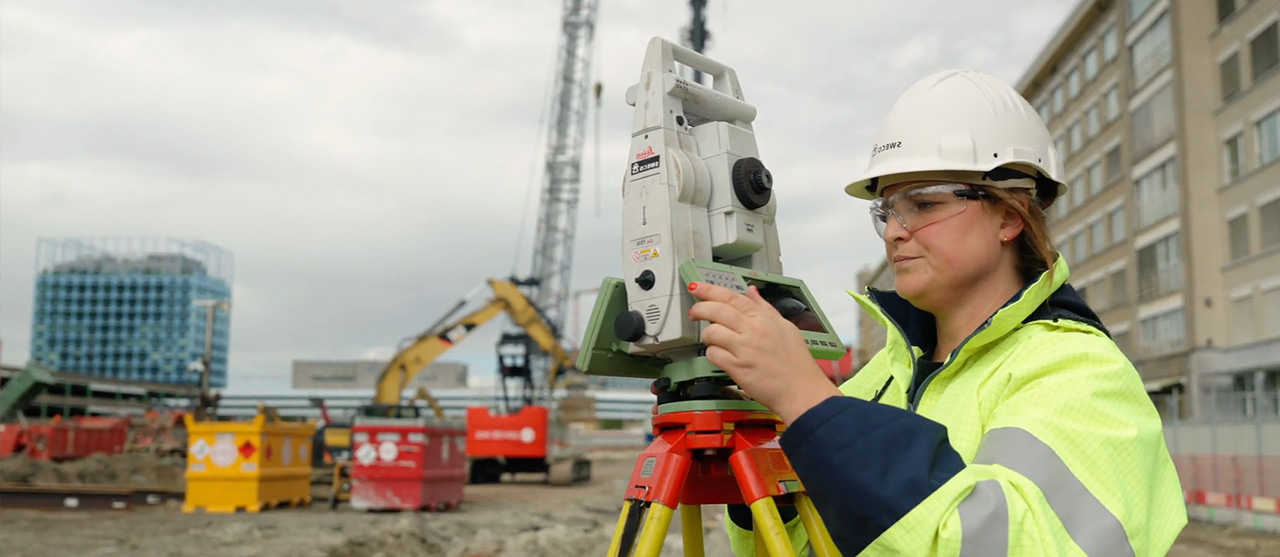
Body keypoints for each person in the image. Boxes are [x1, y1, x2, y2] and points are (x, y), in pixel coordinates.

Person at [687, 69, 1187, 556]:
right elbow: (792, 547)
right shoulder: (881, 376)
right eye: (886, 210)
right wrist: (767, 441)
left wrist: (813, 406)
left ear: (1009, 218)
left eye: (923, 205)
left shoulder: (1081, 373)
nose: (893, 232)